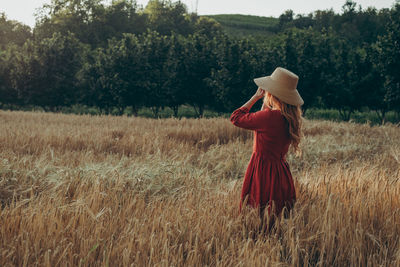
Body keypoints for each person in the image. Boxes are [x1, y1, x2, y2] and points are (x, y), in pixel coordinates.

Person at [230, 67, 304, 228]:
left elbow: (235, 117)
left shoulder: (269, 117)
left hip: (262, 172)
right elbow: (266, 120)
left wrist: (255, 97)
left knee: (258, 218)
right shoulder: (290, 118)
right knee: (278, 219)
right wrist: (266, 103)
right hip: (281, 172)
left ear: (272, 93)